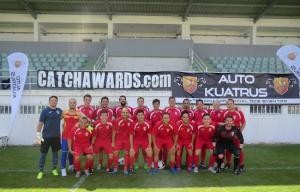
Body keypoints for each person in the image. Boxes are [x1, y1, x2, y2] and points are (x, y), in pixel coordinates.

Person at [36, 95, 63, 180]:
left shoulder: (59, 111)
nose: (54, 101)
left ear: (57, 102)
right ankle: (40, 171)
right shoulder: (45, 111)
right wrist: (38, 135)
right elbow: (40, 123)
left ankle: (54, 169)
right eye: (52, 100)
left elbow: (67, 117)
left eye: (55, 100)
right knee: (43, 155)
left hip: (56, 137)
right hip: (46, 137)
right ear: (49, 101)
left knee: (55, 154)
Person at [221, 98, 246, 171]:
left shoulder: (239, 112)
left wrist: (239, 132)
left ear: (233, 104)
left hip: (236, 136)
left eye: (231, 104)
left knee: (239, 149)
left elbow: (244, 123)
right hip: (227, 136)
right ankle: (228, 164)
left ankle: (241, 165)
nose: (229, 105)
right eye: (228, 104)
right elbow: (223, 124)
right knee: (228, 149)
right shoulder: (225, 112)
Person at [93, 96, 114, 170]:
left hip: (108, 134)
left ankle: (109, 165)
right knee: (100, 151)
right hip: (99, 134)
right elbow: (94, 120)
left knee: (109, 151)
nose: (105, 103)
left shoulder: (111, 110)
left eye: (106, 101)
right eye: (103, 101)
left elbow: (113, 120)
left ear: (108, 102)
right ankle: (100, 164)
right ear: (101, 102)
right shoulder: (97, 110)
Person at [61, 98, 80, 176]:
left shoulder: (79, 113)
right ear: (69, 104)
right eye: (71, 103)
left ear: (76, 104)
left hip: (75, 137)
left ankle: (71, 165)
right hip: (65, 136)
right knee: (64, 152)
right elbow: (57, 120)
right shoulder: (64, 112)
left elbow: (86, 120)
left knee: (73, 152)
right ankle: (63, 169)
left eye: (74, 103)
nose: (72, 104)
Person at [112, 108, 135, 175]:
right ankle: (115, 167)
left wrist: (131, 146)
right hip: (119, 139)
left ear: (128, 113)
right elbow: (114, 132)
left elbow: (131, 134)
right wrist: (113, 142)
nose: (125, 114)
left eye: (126, 112)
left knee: (126, 153)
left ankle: (125, 168)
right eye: (123, 112)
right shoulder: (117, 120)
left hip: (127, 140)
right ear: (121, 113)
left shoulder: (131, 121)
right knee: (116, 153)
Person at [193, 99, 209, 168]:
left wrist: (236, 108)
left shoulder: (206, 111)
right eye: (198, 104)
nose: (199, 105)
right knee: (195, 148)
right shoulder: (194, 112)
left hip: (205, 133)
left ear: (203, 104)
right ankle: (194, 162)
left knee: (203, 148)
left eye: (201, 104)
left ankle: (202, 161)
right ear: (196, 105)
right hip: (196, 133)